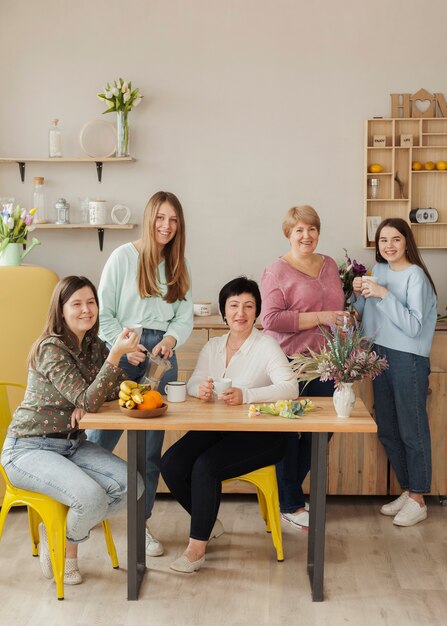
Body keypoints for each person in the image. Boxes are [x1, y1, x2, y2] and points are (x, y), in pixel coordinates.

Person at [1, 276, 139, 585]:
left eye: (91, 302)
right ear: (60, 310)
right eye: (76, 303)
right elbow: (89, 396)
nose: (86, 310)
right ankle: (66, 549)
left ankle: (59, 533)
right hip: (28, 448)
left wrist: (89, 398)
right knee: (91, 499)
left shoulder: (93, 345)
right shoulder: (51, 348)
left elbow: (113, 389)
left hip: (71, 445)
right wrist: (98, 381)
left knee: (135, 486)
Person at [160, 277, 297, 573]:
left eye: (248, 306)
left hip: (263, 435)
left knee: (205, 467)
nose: (241, 312)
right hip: (219, 428)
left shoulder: (266, 345)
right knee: (171, 464)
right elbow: (196, 379)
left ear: (257, 311)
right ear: (224, 311)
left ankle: (196, 549)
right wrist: (202, 390)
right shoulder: (213, 345)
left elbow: (290, 387)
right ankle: (207, 521)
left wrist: (247, 395)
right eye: (234, 305)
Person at [87, 191, 193, 557]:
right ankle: (80, 514)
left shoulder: (177, 263)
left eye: (173, 220)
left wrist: (170, 338)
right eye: (161, 218)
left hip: (162, 356)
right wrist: (126, 345)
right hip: (124, 350)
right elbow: (105, 314)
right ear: (149, 218)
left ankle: (140, 523)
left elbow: (184, 315)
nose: (166, 226)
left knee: (150, 450)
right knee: (97, 440)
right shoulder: (122, 257)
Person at [261, 205, 347, 530]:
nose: (306, 235)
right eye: (299, 230)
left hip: (326, 363)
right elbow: (270, 319)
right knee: (286, 433)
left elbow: (336, 308)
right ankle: (292, 504)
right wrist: (322, 318)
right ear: (288, 233)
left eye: (311, 229)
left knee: (322, 431)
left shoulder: (329, 266)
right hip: (289, 362)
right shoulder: (276, 271)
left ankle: (284, 493)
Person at [353, 218, 437, 526]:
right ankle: (408, 488)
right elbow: (363, 315)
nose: (388, 245)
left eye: (395, 239)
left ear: (407, 242)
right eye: (383, 240)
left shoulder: (415, 276)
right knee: (387, 427)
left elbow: (414, 326)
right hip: (379, 354)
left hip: (408, 358)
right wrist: (358, 293)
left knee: (411, 429)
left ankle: (418, 497)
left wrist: (383, 294)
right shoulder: (379, 272)